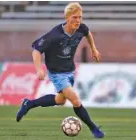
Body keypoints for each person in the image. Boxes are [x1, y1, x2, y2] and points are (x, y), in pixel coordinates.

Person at [16, 2, 104, 138]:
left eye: (80, 17)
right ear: (67, 18)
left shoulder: (81, 28)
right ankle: (94, 128)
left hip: (69, 70)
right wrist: (39, 69)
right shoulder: (54, 35)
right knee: (75, 100)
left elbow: (88, 33)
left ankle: (29, 103)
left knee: (60, 100)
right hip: (56, 73)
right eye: (75, 17)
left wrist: (94, 49)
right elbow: (36, 51)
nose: (78, 20)